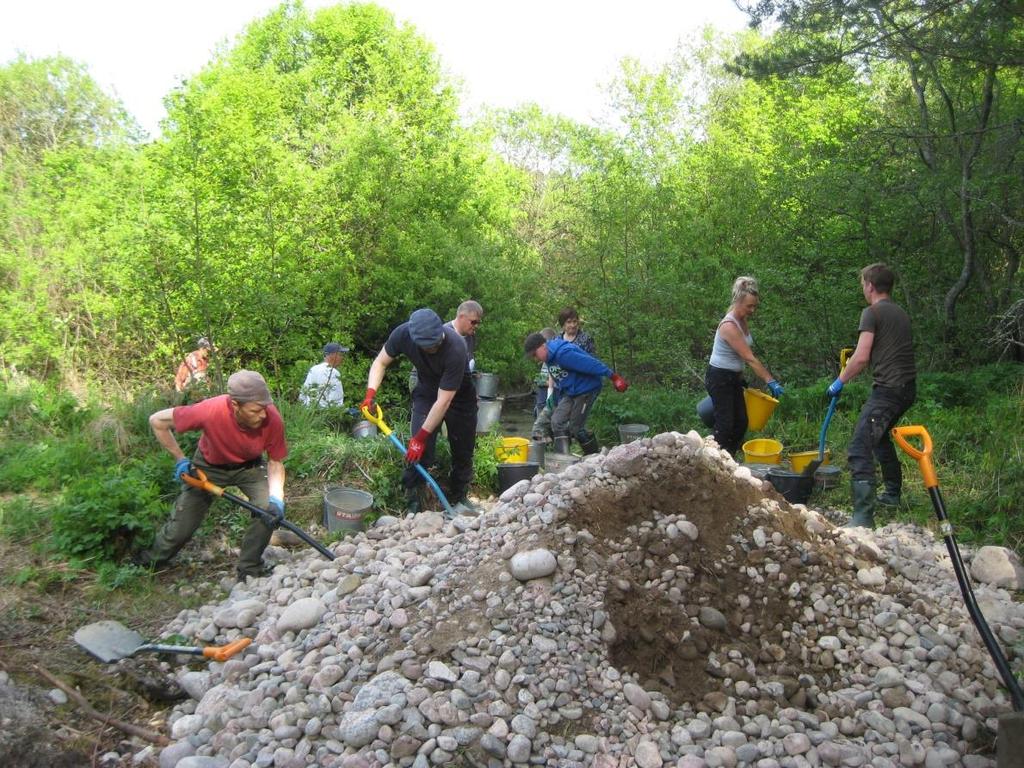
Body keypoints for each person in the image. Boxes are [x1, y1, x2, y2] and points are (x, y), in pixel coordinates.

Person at [134, 370, 288, 580]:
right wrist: (180, 459)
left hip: (249, 467)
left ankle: (249, 569)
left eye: (265, 408)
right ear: (235, 405)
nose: (263, 415)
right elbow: (157, 421)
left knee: (266, 511)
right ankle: (148, 563)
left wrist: (276, 499)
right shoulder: (210, 410)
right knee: (183, 525)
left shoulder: (272, 419)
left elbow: (275, 462)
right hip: (208, 467)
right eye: (255, 410)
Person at [361, 308, 477, 516]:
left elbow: (444, 401)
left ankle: (459, 497)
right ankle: (413, 501)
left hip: (458, 396)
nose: (432, 348)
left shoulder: (456, 347)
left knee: (463, 448)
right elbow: (380, 362)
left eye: (435, 344)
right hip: (427, 390)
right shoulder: (403, 334)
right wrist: (370, 394)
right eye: (427, 346)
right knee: (419, 452)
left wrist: (421, 437)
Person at [826, 263, 916, 529]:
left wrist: (838, 381)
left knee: (858, 446)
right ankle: (891, 495)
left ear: (870, 286)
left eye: (863, 285)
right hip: (907, 389)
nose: (863, 289)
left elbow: (861, 357)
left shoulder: (871, 312)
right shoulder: (900, 313)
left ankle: (863, 518)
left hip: (889, 390)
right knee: (879, 439)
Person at [704, 276, 784, 457]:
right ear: (738, 301)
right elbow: (750, 359)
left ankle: (728, 460)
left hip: (733, 378)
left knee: (741, 423)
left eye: (755, 305)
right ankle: (711, 460)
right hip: (719, 378)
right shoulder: (729, 325)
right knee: (725, 426)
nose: (753, 310)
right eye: (749, 306)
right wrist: (771, 381)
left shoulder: (742, 319)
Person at [523, 332, 628, 455]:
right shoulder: (549, 359)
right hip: (571, 392)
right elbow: (561, 379)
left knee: (575, 428)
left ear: (543, 346)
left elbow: (592, 363)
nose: (535, 359)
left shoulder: (563, 354)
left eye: (535, 355)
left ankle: (594, 456)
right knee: (556, 421)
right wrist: (553, 397)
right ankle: (563, 457)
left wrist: (614, 377)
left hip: (587, 389)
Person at [299, 342, 350, 408]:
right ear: (333, 355)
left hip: (309, 413)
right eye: (340, 355)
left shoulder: (314, 369)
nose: (342, 358)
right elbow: (336, 400)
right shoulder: (334, 373)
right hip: (326, 414)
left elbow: (303, 393)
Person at [531, 327, 558, 442]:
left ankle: (549, 440)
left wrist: (545, 382)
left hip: (550, 391)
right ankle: (542, 443)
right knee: (538, 411)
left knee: (547, 416)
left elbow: (557, 380)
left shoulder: (555, 357)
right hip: (541, 392)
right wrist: (539, 379)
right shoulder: (545, 359)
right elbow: (543, 374)